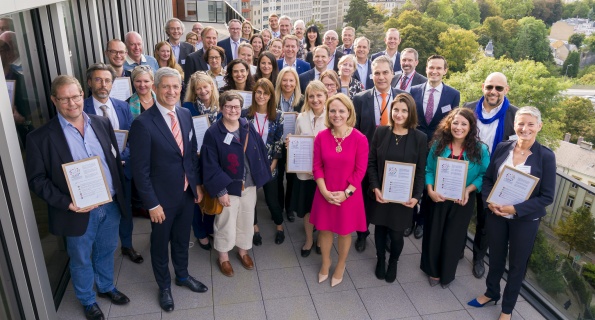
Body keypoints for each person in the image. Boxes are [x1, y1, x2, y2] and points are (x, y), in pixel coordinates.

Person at [26, 75, 130, 319]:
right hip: (77, 210)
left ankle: (105, 287)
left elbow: (113, 160)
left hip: (109, 203)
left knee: (106, 249)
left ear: (83, 95)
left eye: (75, 96)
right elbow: (37, 180)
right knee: (81, 257)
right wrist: (66, 203)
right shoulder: (40, 138)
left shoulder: (101, 123)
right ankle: (87, 299)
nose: (71, 103)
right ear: (54, 100)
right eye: (64, 99)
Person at [129, 68, 208, 312]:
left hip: (185, 194)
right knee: (160, 243)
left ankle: (182, 276)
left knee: (183, 239)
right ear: (155, 88)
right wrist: (152, 204)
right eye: (166, 87)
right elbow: (139, 170)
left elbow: (191, 155)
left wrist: (196, 185)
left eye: (176, 87)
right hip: (161, 199)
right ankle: (164, 286)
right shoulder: (142, 123)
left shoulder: (184, 114)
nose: (171, 91)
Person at [468, 107, 556, 320]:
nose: (524, 128)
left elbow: (547, 197)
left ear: (539, 127)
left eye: (530, 124)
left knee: (517, 265)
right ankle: (491, 293)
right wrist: (489, 201)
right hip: (496, 214)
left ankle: (507, 309)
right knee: (495, 258)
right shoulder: (502, 147)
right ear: (514, 125)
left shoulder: (545, 156)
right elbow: (488, 179)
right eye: (520, 123)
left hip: (524, 221)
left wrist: (516, 209)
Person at [200, 91, 272, 277]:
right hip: (228, 188)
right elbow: (210, 164)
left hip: (248, 185)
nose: (233, 110)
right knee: (225, 222)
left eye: (237, 107)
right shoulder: (214, 133)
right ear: (222, 108)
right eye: (229, 106)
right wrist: (220, 190)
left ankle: (243, 251)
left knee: (246, 219)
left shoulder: (247, 126)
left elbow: (259, 151)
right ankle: (223, 256)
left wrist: (261, 176)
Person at [421, 108, 489, 289]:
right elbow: (428, 169)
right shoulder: (438, 144)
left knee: (453, 238)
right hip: (438, 198)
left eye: (463, 124)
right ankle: (433, 271)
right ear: (449, 124)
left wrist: (468, 189)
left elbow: (484, 175)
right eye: (455, 123)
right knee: (434, 235)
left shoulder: (480, 149)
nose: (458, 127)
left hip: (462, 201)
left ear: (471, 127)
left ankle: (447, 274)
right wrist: (430, 190)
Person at [82, 63, 140, 265]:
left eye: (107, 80)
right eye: (98, 79)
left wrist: (124, 155)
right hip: (97, 173)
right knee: (100, 214)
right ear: (89, 82)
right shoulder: (82, 109)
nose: (103, 84)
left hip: (123, 168)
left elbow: (134, 136)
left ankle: (127, 245)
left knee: (125, 209)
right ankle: (99, 252)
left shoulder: (123, 106)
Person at [310, 93, 369, 287]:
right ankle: (326, 262)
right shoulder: (321, 137)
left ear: (349, 112)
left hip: (349, 194)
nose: (337, 115)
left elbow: (360, 171)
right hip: (325, 191)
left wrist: (346, 193)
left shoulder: (360, 139)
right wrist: (325, 192)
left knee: (344, 232)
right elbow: (317, 166)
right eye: (333, 110)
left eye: (341, 110)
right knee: (325, 230)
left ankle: (341, 265)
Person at [463, 72, 518, 279]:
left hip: (494, 178)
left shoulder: (514, 115)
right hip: (468, 172)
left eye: (499, 88)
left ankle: (478, 257)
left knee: (485, 222)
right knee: (462, 212)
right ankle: (458, 248)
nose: (493, 92)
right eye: (489, 87)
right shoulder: (468, 108)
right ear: (482, 87)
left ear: (506, 90)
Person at [368, 93, 427, 283]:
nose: (399, 114)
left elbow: (420, 170)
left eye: (404, 111)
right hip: (381, 194)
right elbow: (371, 163)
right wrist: (375, 187)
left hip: (403, 197)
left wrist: (417, 196)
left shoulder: (420, 137)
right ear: (390, 111)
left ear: (410, 113)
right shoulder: (381, 132)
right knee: (380, 230)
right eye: (396, 110)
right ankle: (380, 259)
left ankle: (393, 261)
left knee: (396, 234)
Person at [353, 55, 407, 252]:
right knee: (365, 199)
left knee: (389, 200)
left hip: (395, 159)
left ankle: (384, 236)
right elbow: (355, 130)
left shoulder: (403, 97)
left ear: (393, 74)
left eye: (385, 72)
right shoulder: (360, 99)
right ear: (372, 75)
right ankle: (362, 233)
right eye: (377, 73)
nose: (381, 77)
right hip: (367, 159)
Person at [410, 55, 460, 239]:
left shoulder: (453, 94)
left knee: (428, 183)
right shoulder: (414, 90)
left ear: (445, 71)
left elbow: (452, 123)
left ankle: (422, 222)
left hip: (438, 146)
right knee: (413, 180)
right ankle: (410, 219)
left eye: (439, 68)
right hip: (416, 143)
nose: (434, 71)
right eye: (431, 67)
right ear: (426, 68)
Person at [241, 79, 285, 245]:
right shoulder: (245, 114)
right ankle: (255, 228)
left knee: (272, 200)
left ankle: (279, 226)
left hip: (269, 166)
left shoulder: (278, 115)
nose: (261, 96)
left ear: (270, 96)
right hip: (250, 167)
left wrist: (273, 164)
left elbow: (278, 142)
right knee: (251, 200)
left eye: (265, 93)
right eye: (258, 92)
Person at [288, 80, 328, 257]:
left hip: (326, 174)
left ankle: (320, 239)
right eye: (311, 96)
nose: (315, 99)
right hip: (305, 173)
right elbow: (296, 141)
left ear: (326, 96)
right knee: (307, 209)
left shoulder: (332, 117)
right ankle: (309, 240)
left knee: (323, 208)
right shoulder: (301, 118)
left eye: (319, 95)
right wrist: (291, 143)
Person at [183, 72, 220, 250]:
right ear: (194, 91)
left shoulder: (221, 107)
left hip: (215, 160)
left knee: (213, 194)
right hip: (195, 159)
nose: (203, 91)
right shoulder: (188, 108)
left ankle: (210, 226)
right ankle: (199, 232)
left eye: (206, 86)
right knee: (196, 197)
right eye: (199, 88)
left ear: (212, 86)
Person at [274, 67, 304, 222]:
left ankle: (289, 208)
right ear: (280, 81)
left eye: (291, 80)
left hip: (295, 146)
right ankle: (278, 206)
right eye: (284, 80)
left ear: (296, 82)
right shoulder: (272, 98)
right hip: (277, 143)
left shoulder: (303, 100)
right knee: (278, 177)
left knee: (292, 178)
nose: (288, 83)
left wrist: (301, 117)